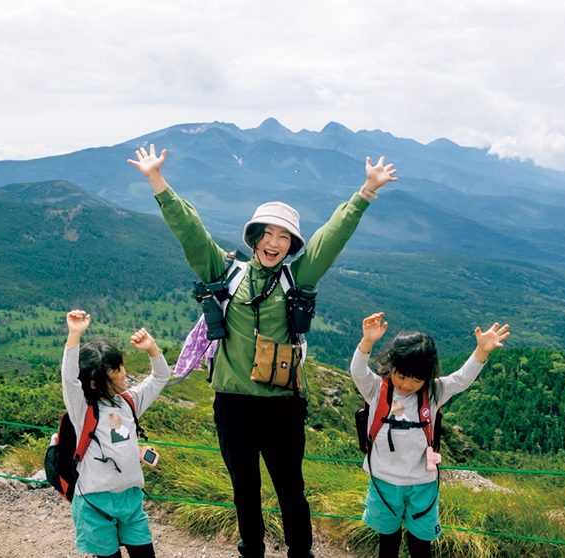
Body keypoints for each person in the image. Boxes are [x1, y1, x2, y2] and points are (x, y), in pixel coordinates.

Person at [127, 144, 398, 558]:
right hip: (232, 404)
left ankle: (299, 553)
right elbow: (192, 234)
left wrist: (365, 192)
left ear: (291, 245)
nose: (274, 242)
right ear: (254, 237)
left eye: (283, 236)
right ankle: (251, 549)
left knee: (291, 488)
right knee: (244, 489)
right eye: (267, 233)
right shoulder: (227, 272)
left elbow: (330, 238)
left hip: (282, 406)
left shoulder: (297, 276)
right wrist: (157, 182)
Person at [351, 311, 510, 558]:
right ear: (391, 365)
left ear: (428, 376)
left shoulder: (433, 393)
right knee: (388, 543)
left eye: (416, 380)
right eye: (401, 376)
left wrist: (481, 352)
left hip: (421, 485)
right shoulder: (376, 390)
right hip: (383, 481)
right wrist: (367, 342)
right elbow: (357, 370)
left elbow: (461, 379)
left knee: (421, 544)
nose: (405, 385)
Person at [62, 309, 170, 558]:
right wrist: (74, 335)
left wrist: (152, 348)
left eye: (121, 367)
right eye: (116, 370)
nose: (124, 374)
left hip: (130, 500)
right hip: (94, 503)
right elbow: (69, 380)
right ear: (94, 381)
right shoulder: (83, 410)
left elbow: (161, 376)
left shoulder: (128, 402)